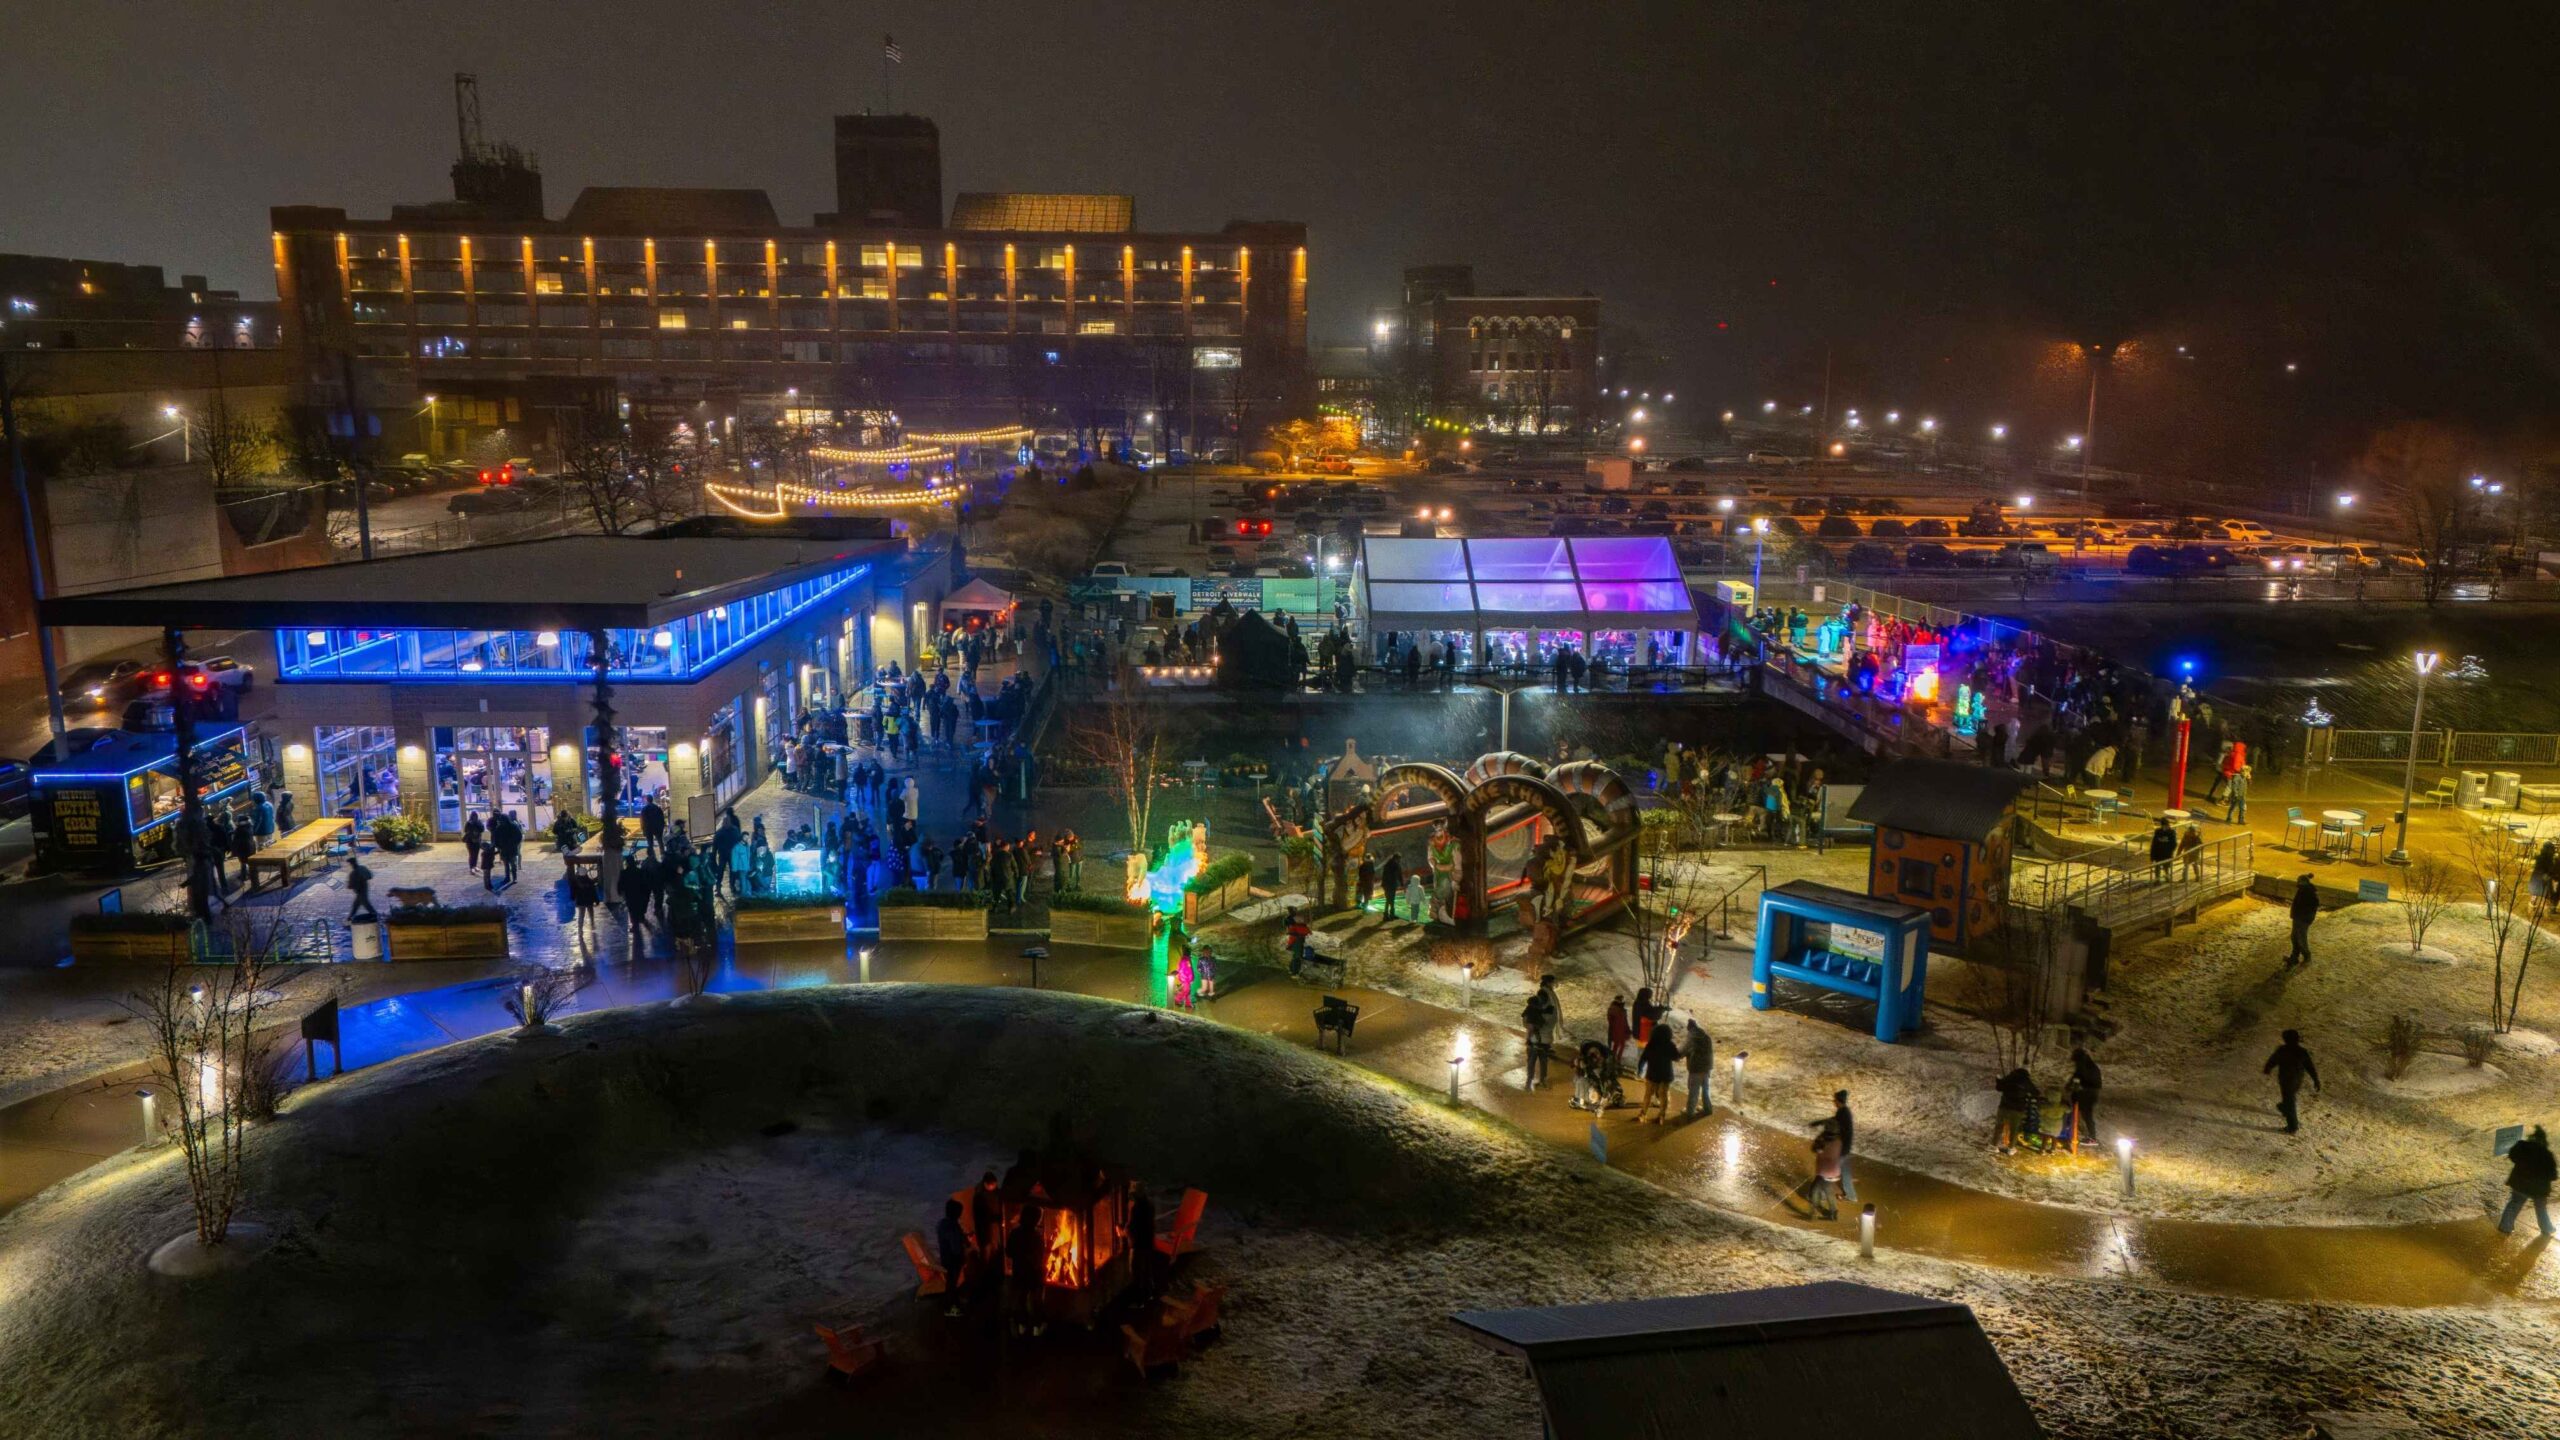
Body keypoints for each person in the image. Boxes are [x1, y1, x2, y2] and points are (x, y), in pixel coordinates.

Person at [2499, 1125, 2557, 1237]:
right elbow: (2553, 1176)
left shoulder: (2522, 1146)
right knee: (2541, 1209)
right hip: (2539, 1189)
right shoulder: (2547, 1155)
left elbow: (2512, 1156)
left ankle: (2505, 1227)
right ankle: (2547, 1228)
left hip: (2520, 1184)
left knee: (2514, 1204)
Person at [2263, 1028, 2321, 1134]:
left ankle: (2292, 1126)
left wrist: (2268, 1068)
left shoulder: (2282, 1050)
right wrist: (2315, 1079)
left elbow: (2273, 1060)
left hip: (2286, 1080)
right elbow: (2309, 1067)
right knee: (2289, 1099)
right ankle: (2284, 1108)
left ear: (2285, 1039)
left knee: (2289, 1102)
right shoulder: (2302, 1052)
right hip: (2297, 1080)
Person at [1005, 1202, 1046, 1337]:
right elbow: (1040, 1257)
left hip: (1019, 1271)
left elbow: (1009, 1252)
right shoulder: (1037, 1237)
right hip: (1034, 1273)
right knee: (1036, 1300)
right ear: (1036, 1219)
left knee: (1021, 1299)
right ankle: (1036, 1327)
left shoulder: (1015, 1233)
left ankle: (1022, 1325)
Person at [1814, 1089, 1857, 1201]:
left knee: (1828, 1172)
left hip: (1842, 1148)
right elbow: (1834, 1121)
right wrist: (1821, 1122)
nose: (1834, 1102)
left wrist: (1821, 1126)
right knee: (1845, 1171)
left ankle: (1823, 1196)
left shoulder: (1843, 1113)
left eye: (1835, 1100)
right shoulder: (1844, 1111)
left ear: (1839, 1101)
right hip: (1845, 1147)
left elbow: (1834, 1125)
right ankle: (1851, 1196)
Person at [1635, 1019, 1679, 1123]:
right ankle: (1661, 1116)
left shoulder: (1651, 1045)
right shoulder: (1670, 1045)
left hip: (1652, 1074)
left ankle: (1643, 1113)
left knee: (1648, 1095)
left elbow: (1643, 1059)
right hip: (1665, 1075)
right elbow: (1676, 1058)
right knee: (1663, 1096)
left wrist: (1640, 1070)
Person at [1521, 976, 1561, 1088]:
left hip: (1536, 1040)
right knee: (1542, 1061)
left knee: (1532, 1061)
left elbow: (1530, 1025)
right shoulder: (1550, 1010)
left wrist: (1528, 1037)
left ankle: (1530, 1080)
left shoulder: (1536, 1012)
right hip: (1544, 1041)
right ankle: (1541, 1079)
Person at [934, 1199, 971, 1316]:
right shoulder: (953, 1227)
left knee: (951, 1283)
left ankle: (953, 1302)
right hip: (953, 1261)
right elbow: (955, 1247)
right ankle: (950, 1309)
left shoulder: (943, 1223)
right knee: (951, 1284)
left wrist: (964, 1237)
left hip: (946, 1258)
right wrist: (964, 1253)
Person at [1993, 1066, 2040, 1154]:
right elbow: (2036, 1093)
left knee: (1999, 1126)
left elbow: (1999, 1088)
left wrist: (1998, 1080)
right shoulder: (2026, 1081)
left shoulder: (2009, 1077)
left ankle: (1994, 1145)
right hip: (2017, 1109)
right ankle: (2011, 1148)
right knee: (2014, 1129)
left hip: (2004, 1107)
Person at [1128, 1183, 1159, 1299]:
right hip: (1149, 1242)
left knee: (1136, 1272)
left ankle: (1139, 1300)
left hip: (1138, 1245)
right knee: (1147, 1270)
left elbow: (1132, 1227)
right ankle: (1150, 1294)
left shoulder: (1136, 1209)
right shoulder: (1151, 1205)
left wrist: (1123, 1231)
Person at [2068, 1046, 2104, 1142]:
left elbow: (2082, 1078)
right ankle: (2075, 1128)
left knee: (2087, 1114)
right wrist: (2071, 1084)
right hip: (2085, 1092)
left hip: (2089, 1094)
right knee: (2080, 1111)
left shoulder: (2088, 1067)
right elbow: (2076, 1075)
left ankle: (2092, 1136)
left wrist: (2080, 1086)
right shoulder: (2083, 1064)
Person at [1809, 1123, 1844, 1220]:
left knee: (1815, 1191)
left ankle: (1814, 1213)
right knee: (1828, 1191)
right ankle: (1833, 1213)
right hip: (1834, 1173)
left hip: (1825, 1173)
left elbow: (1816, 1150)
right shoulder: (1839, 1142)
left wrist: (1819, 1143)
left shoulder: (1825, 1142)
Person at [1682, 1018, 1714, 1118]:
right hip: (1707, 1067)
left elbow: (1682, 1051)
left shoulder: (1691, 1038)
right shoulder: (1706, 1037)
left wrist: (1675, 1055)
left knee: (1694, 1091)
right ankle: (1708, 1109)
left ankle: (1690, 1112)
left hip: (1696, 1069)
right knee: (1706, 1090)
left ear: (1689, 1029)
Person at [1571, 1038, 1611, 1113]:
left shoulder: (1601, 1062)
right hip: (1588, 1080)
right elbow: (1574, 1064)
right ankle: (1580, 1098)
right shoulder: (1586, 1059)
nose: (1593, 1055)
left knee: (1583, 1082)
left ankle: (1592, 1101)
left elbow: (1601, 1076)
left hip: (1595, 1083)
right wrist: (1577, 1063)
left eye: (1595, 1053)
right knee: (1579, 1080)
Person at [2287, 873, 2320, 967]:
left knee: (2300, 938)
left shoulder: (2309, 892)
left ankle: (2306, 956)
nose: (2297, 882)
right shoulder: (2304, 889)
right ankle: (2294, 957)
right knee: (2294, 937)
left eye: (2298, 881)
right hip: (2298, 917)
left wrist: (2304, 916)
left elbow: (2313, 906)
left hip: (2302, 919)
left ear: (2303, 882)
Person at [346, 855, 379, 922]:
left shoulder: (354, 873)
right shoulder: (361, 869)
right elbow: (370, 876)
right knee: (356, 904)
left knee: (365, 903)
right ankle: (350, 917)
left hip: (361, 890)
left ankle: (375, 916)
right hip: (362, 890)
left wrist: (350, 885)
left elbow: (350, 886)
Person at [2148, 815, 2177, 885]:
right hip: (2158, 853)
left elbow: (2174, 844)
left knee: (2166, 867)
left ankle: (2167, 877)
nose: (2165, 827)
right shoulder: (2158, 832)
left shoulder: (2171, 832)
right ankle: (2157, 880)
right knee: (2157, 867)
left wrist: (2170, 851)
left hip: (2166, 853)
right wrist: (2152, 855)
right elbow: (2154, 844)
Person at [1606, 994, 1631, 1067]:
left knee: (1620, 1045)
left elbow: (1625, 1020)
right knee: (1618, 1045)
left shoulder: (1619, 1009)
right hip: (1617, 1030)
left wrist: (1627, 1029)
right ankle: (1614, 1060)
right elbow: (1611, 1021)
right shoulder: (1613, 1009)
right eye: (1622, 1000)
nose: (1623, 1001)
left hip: (1621, 1030)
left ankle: (1616, 1060)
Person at [1285, 909, 1311, 976]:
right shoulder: (1297, 926)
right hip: (1297, 941)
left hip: (1296, 941)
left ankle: (1291, 970)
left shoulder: (1294, 924)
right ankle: (1294, 972)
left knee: (1295, 956)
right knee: (1297, 957)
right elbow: (1306, 932)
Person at [1380, 852, 1405, 919]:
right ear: (1397, 858)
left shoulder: (1388, 864)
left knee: (1389, 899)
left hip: (1386, 885)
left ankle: (1389, 914)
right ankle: (1388, 915)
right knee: (1390, 900)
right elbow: (1399, 875)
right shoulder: (1396, 865)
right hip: (1391, 885)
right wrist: (1402, 884)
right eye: (1399, 859)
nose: (1399, 860)